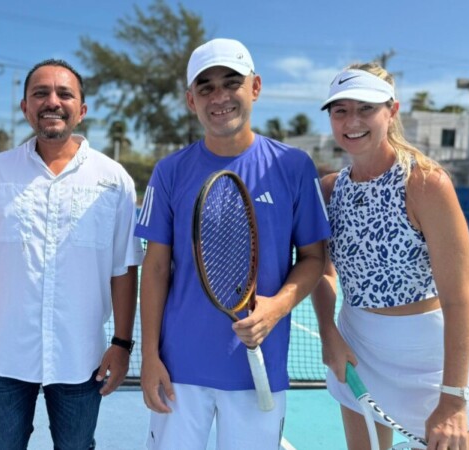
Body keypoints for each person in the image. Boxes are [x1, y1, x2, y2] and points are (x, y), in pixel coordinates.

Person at [135, 38, 331, 449]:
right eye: (205, 87)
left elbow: (314, 258)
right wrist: (149, 358)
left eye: (231, 82)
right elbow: (154, 270)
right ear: (191, 100)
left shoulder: (293, 167)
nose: (219, 96)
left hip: (259, 370)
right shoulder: (170, 171)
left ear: (255, 88)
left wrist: (276, 307)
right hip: (178, 371)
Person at [0, 58, 143, 449]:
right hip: (0, 355)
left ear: (81, 111)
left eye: (64, 93)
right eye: (40, 93)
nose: (52, 101)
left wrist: (121, 345)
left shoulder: (114, 181)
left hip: (80, 358)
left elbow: (123, 269)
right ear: (25, 108)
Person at [312, 63, 469, 450]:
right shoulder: (329, 190)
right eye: (340, 110)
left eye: (366, 108)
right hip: (359, 351)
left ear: (391, 111)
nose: (352, 121)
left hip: (433, 365)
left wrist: (452, 399)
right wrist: (328, 333)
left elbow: (458, 298)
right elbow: (321, 272)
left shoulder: (425, 184)